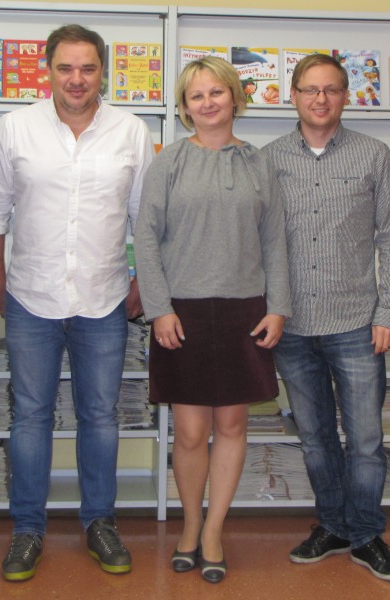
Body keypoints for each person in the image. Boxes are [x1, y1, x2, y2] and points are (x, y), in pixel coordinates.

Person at [0, 24, 154, 582]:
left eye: (87, 68)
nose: (76, 79)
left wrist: (142, 282)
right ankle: (27, 529)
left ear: (103, 71)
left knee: (99, 416)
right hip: (31, 294)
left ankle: (100, 522)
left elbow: (144, 218)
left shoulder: (132, 131)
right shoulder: (15, 128)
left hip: (104, 297)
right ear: (48, 70)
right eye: (65, 68)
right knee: (30, 415)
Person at [134, 56, 291, 584]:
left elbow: (275, 241)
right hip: (184, 312)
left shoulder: (259, 164)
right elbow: (146, 239)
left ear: (234, 97)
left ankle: (215, 531)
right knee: (189, 431)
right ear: (184, 107)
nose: (207, 103)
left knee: (232, 425)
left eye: (216, 92)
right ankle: (190, 524)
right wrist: (159, 308)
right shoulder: (169, 162)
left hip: (246, 309)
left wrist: (278, 307)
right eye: (196, 96)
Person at [263, 53, 390, 582]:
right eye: (310, 89)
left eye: (330, 89)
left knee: (366, 440)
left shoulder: (373, 154)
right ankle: (332, 526)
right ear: (294, 96)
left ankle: (367, 534)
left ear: (346, 96)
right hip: (292, 324)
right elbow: (258, 241)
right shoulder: (269, 159)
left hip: (356, 322)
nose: (320, 99)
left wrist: (388, 311)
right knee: (315, 438)